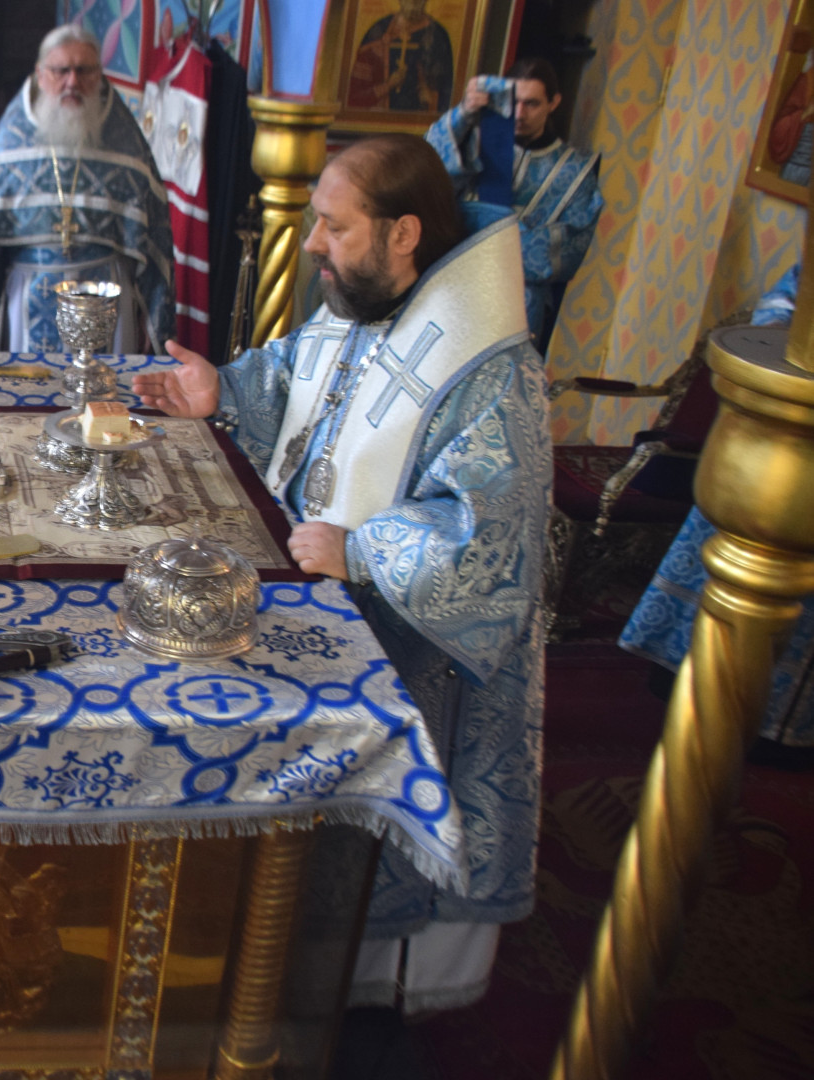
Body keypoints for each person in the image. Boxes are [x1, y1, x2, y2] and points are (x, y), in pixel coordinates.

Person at [133, 134, 550, 1013]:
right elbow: (299, 376)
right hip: (318, 592)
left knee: (361, 928)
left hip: (420, 652)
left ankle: (379, 986)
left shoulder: (488, 368)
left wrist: (362, 550)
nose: (313, 244)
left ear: (402, 233)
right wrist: (225, 391)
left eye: (333, 225)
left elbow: (489, 539)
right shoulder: (367, 296)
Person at [620, 261, 814, 759]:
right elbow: (784, 299)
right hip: (782, 423)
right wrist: (789, 344)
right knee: (726, 562)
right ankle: (681, 684)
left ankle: (775, 734)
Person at [0, 25, 175, 354]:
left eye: (84, 71)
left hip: (108, 299)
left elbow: (154, 238)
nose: (72, 82)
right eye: (61, 70)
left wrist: (148, 312)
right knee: (28, 387)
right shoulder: (10, 143)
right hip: (29, 295)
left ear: (99, 75)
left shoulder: (126, 144)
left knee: (105, 386)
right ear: (40, 74)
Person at [426, 58, 603, 349]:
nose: (519, 114)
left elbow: (564, 251)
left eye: (532, 104)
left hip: (516, 305)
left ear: (554, 102)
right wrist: (463, 114)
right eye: (514, 102)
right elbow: (426, 178)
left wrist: (477, 229)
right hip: (451, 286)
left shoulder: (576, 173)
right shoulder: (473, 145)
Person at [346, 0, 456, 113]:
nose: (412, 5)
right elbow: (354, 97)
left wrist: (430, 97)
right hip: (379, 120)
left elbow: (448, 94)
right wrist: (388, 85)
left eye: (417, 1)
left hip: (420, 119)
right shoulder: (378, 32)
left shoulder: (438, 36)